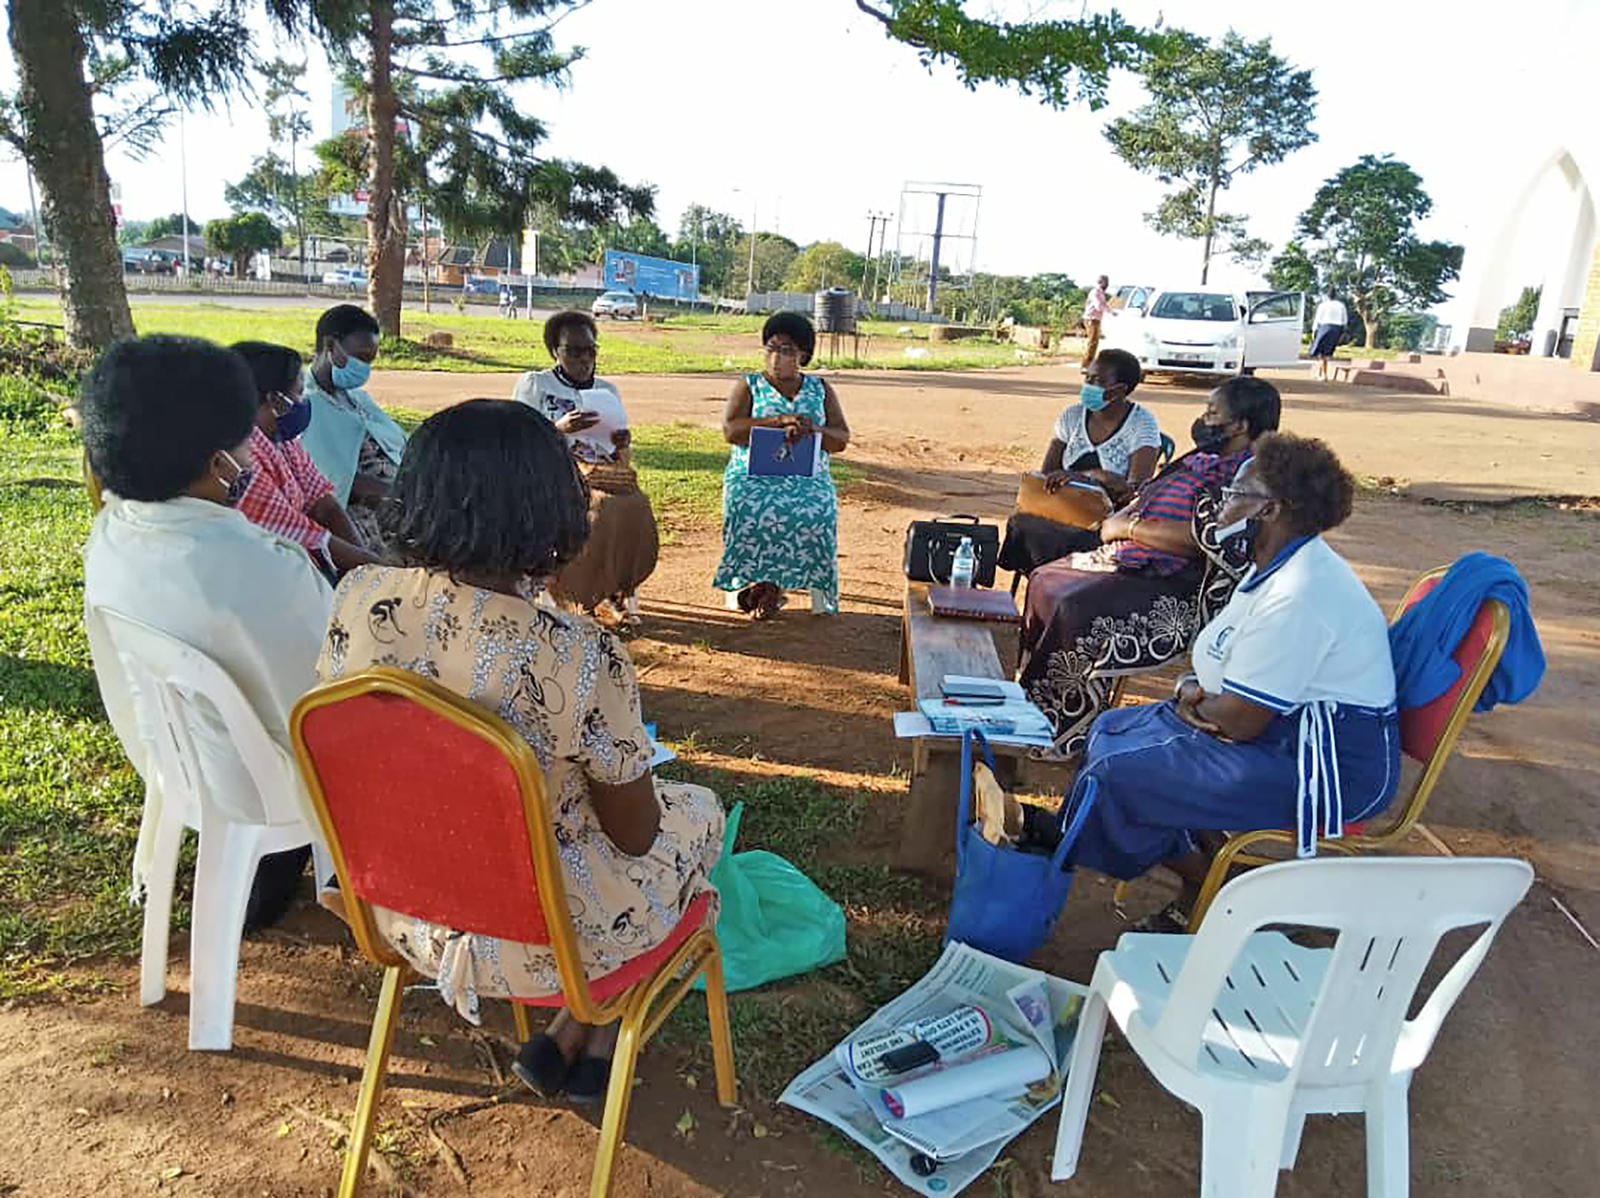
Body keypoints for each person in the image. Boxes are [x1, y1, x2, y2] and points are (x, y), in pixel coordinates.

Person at [317, 399, 725, 1102]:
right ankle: (594, 1015)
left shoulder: (356, 597)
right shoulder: (578, 654)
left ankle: (579, 1031)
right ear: (555, 512)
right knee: (698, 815)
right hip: (543, 941)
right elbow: (635, 836)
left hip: (399, 910)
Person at [1059, 433, 1400, 931]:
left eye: (1233, 496)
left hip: (1321, 766)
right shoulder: (1275, 565)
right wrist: (1189, 698)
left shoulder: (1301, 594)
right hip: (1274, 732)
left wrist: (1191, 701)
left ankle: (1223, 888)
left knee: (1120, 773)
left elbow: (1239, 722)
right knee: (1111, 729)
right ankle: (1205, 873)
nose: (1219, 507)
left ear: (1270, 510)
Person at [80, 334, 332, 929]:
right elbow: (330, 692)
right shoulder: (265, 567)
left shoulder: (112, 535)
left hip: (177, 763)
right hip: (269, 788)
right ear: (222, 462)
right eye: (249, 435)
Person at [1018, 376, 1282, 759]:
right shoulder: (1203, 457)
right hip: (1138, 555)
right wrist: (1121, 521)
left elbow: (1205, 540)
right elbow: (1148, 493)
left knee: (1077, 607)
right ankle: (1032, 708)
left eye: (1212, 413)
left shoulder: (1253, 475)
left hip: (1183, 584)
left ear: (1240, 425)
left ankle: (1065, 730)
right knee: (1046, 579)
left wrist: (1130, 528)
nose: (1203, 420)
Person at [511, 310, 659, 623]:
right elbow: (518, 440)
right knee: (599, 509)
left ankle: (616, 588)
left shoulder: (606, 390)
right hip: (550, 473)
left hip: (600, 471)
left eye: (591, 350)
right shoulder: (535, 385)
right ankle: (577, 594)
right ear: (555, 351)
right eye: (574, 351)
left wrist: (621, 442)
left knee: (635, 504)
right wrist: (558, 429)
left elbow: (618, 448)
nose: (585, 359)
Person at [714, 311, 851, 619]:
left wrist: (813, 430)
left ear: (803, 354)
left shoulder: (820, 389)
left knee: (816, 510)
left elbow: (841, 438)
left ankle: (786, 588)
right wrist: (777, 422)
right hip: (753, 475)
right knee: (748, 506)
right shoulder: (749, 385)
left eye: (787, 350)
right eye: (771, 348)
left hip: (806, 477)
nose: (776, 357)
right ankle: (759, 586)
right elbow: (730, 431)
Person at [998, 348, 1162, 580]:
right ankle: (1042, 587)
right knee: (1022, 523)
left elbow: (1136, 489)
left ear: (1119, 391)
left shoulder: (1141, 423)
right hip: (1061, 508)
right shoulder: (1072, 416)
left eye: (1098, 380)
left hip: (1107, 522)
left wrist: (1090, 477)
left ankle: (1052, 587)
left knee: (1066, 538)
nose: (1089, 385)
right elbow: (1047, 473)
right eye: (1088, 378)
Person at [231, 341, 380, 582]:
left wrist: (365, 563)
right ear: (275, 400)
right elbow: (300, 532)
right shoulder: (242, 454)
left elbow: (324, 503)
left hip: (301, 561)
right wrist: (379, 571)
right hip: (269, 574)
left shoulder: (283, 440)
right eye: (299, 393)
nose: (304, 401)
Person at [298, 304, 407, 547]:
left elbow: (397, 443)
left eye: (371, 359)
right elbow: (337, 481)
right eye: (361, 357)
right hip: (360, 516)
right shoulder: (308, 406)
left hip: (397, 500)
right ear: (329, 346)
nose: (365, 368)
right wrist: (402, 496)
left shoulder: (355, 398)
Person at [1310, 290, 1348, 381]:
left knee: (1321, 352)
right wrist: (1343, 332)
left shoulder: (1323, 305)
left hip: (1324, 327)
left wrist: (1314, 330)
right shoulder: (1341, 305)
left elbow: (1317, 319)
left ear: (1327, 296)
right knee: (1327, 352)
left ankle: (1324, 375)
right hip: (1336, 328)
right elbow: (1345, 320)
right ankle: (1319, 373)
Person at [1080, 274, 1110, 369]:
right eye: (1106, 282)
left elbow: (1103, 305)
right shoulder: (1095, 292)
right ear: (1101, 282)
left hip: (1096, 319)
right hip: (1091, 319)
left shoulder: (1101, 293)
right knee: (1092, 341)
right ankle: (1086, 364)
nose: (1107, 285)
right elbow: (1098, 306)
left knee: (1095, 342)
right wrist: (1109, 311)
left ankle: (1090, 362)